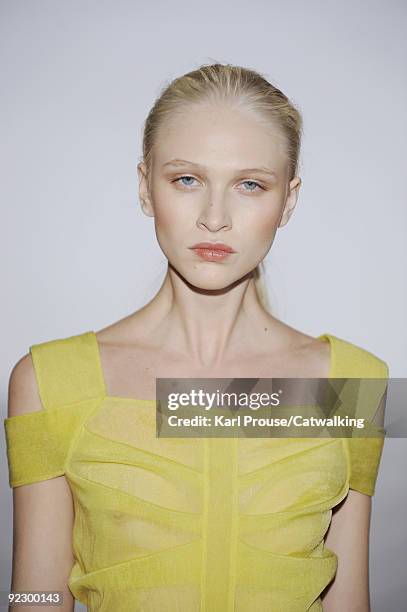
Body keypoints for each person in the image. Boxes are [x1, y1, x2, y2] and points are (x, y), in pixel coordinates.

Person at [4, 63, 388, 611]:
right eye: (186, 179)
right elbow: (34, 595)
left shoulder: (350, 383)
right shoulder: (52, 380)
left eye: (250, 184)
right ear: (145, 186)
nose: (214, 217)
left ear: (289, 201)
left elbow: (348, 601)